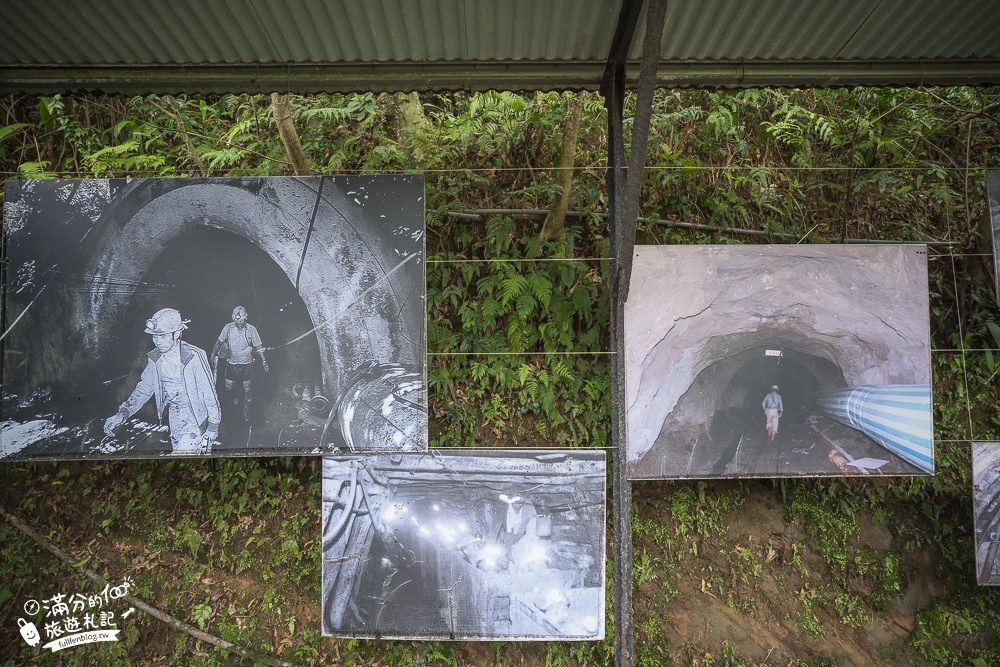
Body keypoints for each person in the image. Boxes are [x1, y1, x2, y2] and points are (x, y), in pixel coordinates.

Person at [104, 308, 221, 455]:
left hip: (195, 419)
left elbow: (208, 392)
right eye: (154, 337)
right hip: (174, 416)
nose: (158, 342)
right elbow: (144, 388)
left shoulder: (194, 356)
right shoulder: (156, 359)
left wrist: (213, 425)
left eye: (163, 336)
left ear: (177, 333)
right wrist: (123, 413)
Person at [211, 305, 269, 422]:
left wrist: (264, 361)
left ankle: (246, 411)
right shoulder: (227, 328)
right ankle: (234, 400)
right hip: (231, 364)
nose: (239, 322)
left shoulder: (251, 330)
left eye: (241, 319)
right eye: (236, 319)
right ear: (233, 318)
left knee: (247, 390)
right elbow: (219, 341)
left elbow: (258, 346)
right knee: (229, 388)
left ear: (246, 317)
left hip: (247, 365)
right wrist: (213, 354)